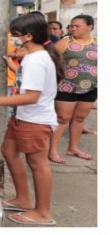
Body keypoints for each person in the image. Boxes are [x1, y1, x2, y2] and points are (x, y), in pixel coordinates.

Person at [0, 13, 64, 226]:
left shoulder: (37, 60)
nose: (14, 39)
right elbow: (25, 80)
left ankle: (43, 213)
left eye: (16, 35)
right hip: (22, 117)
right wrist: (13, 66)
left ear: (29, 36)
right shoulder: (32, 57)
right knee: (9, 152)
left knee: (37, 164)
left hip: (35, 120)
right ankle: (23, 199)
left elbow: (31, 96)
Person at [48, 14, 97, 164]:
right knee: (62, 119)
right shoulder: (65, 42)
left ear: (90, 27)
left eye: (77, 26)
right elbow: (48, 58)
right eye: (71, 26)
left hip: (90, 87)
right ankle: (52, 151)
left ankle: (73, 148)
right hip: (66, 87)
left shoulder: (98, 43)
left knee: (79, 118)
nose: (73, 28)